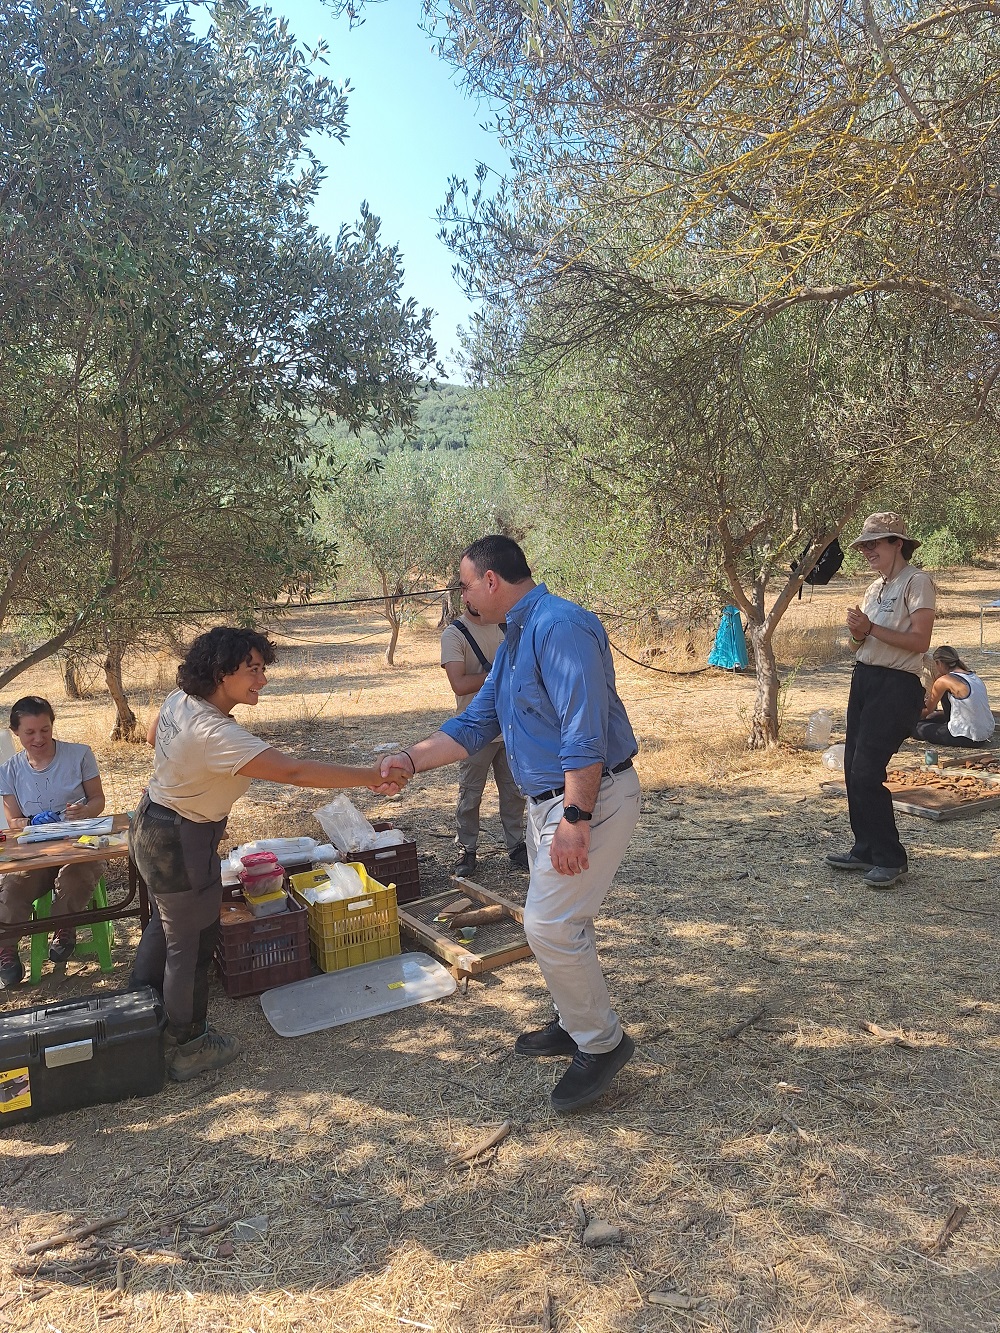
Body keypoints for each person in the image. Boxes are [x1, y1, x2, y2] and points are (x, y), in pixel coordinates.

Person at [380, 536, 641, 1114]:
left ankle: (602, 1044)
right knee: (560, 922)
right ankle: (574, 1021)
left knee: (550, 925)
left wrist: (575, 817)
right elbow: (476, 722)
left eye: (465, 585)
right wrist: (409, 761)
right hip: (552, 803)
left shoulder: (560, 626)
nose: (463, 597)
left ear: (491, 580)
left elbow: (583, 730)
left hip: (588, 799)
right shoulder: (518, 636)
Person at [130, 626, 408, 1084]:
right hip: (181, 840)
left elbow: (153, 733)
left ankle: (140, 1013)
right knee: (191, 946)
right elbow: (294, 772)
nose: (262, 680)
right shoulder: (214, 732)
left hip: (152, 823)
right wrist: (370, 776)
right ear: (221, 673)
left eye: (263, 669)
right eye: (253, 670)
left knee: (168, 926)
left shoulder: (182, 700)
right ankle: (187, 1046)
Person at [827, 513, 935, 888]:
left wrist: (870, 628)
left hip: (897, 685)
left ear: (897, 543)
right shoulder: (875, 588)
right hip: (865, 679)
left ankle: (891, 858)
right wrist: (858, 634)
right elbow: (860, 644)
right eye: (864, 546)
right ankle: (865, 850)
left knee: (866, 770)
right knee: (852, 767)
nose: (867, 551)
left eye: (874, 544)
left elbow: (920, 641)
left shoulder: (917, 582)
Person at [0, 696, 107, 988]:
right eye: (30, 732)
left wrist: (85, 810)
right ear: (16, 732)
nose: (39, 738)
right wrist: (28, 822)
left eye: (45, 730)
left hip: (79, 844)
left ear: (52, 725)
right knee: (14, 887)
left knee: (75, 877)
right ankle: (6, 950)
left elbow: (98, 800)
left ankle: (64, 927)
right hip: (36, 851)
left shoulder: (79, 754)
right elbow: (13, 820)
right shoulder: (9, 770)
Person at [440, 608, 527, 877]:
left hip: (510, 727)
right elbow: (459, 684)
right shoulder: (454, 634)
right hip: (474, 732)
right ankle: (466, 849)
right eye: (468, 591)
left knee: (514, 792)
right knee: (470, 793)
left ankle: (517, 846)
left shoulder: (505, 626)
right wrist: (502, 673)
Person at [914, 646, 995, 747]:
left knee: (916, 727)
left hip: (965, 737)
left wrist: (910, 717)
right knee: (934, 716)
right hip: (984, 733)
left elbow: (927, 710)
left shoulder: (943, 680)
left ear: (939, 663)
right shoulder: (973, 677)